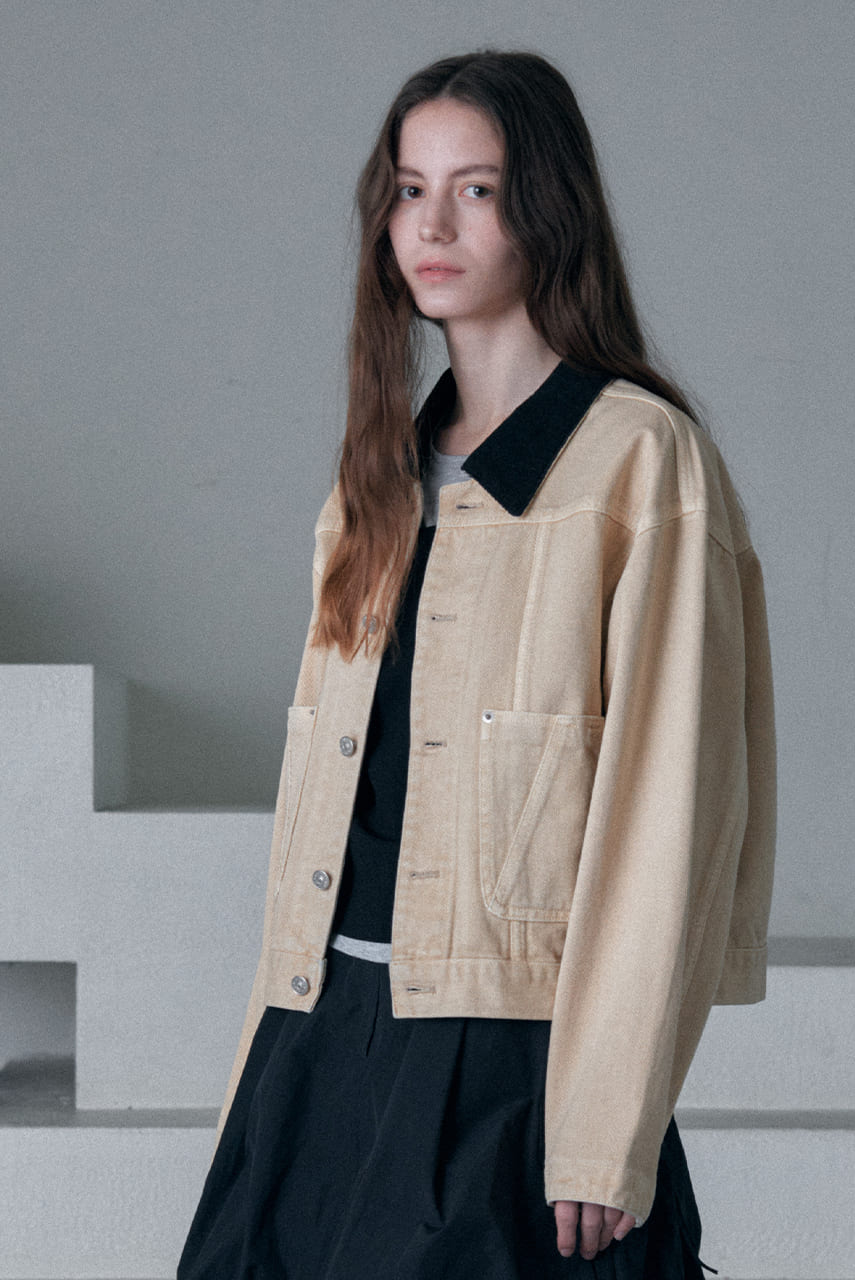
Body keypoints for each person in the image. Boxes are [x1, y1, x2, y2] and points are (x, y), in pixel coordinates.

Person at [178, 49, 776, 1279]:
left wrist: (603, 1129)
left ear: (547, 209)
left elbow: (668, 815)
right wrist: (260, 1081)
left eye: (478, 189)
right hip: (321, 1034)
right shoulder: (374, 481)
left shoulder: (640, 462)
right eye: (410, 189)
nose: (432, 225)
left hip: (506, 1059)